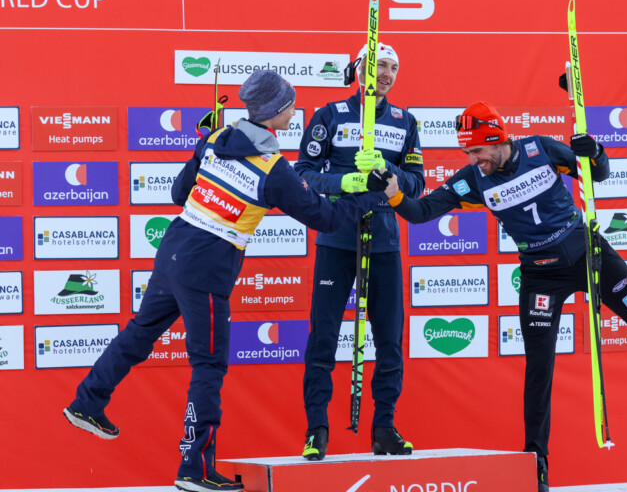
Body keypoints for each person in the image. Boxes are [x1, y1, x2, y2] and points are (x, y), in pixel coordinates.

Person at [62, 69, 398, 492]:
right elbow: (326, 218)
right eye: (291, 103)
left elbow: (179, 194)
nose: (295, 110)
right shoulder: (273, 168)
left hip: (174, 249)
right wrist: (370, 194)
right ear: (276, 112)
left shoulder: (215, 139)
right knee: (209, 364)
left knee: (140, 332)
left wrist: (202, 150)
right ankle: (194, 468)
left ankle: (86, 401)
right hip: (207, 265)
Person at [386, 101, 627, 492]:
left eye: (478, 151)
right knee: (539, 367)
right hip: (540, 275)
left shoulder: (539, 149)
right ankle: (536, 458)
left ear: (497, 139)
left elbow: (598, 176)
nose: (475, 159)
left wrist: (594, 151)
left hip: (588, 254)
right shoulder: (473, 179)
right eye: (468, 153)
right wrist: (393, 193)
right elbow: (421, 211)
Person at [295, 42, 425, 460]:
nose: (386, 73)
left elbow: (418, 183)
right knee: (324, 338)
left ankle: (384, 427)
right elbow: (303, 174)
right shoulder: (329, 115)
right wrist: (347, 182)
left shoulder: (406, 121)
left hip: (384, 240)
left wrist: (391, 175)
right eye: (378, 65)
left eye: (393, 67)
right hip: (337, 238)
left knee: (390, 339)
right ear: (359, 69)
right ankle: (317, 429)